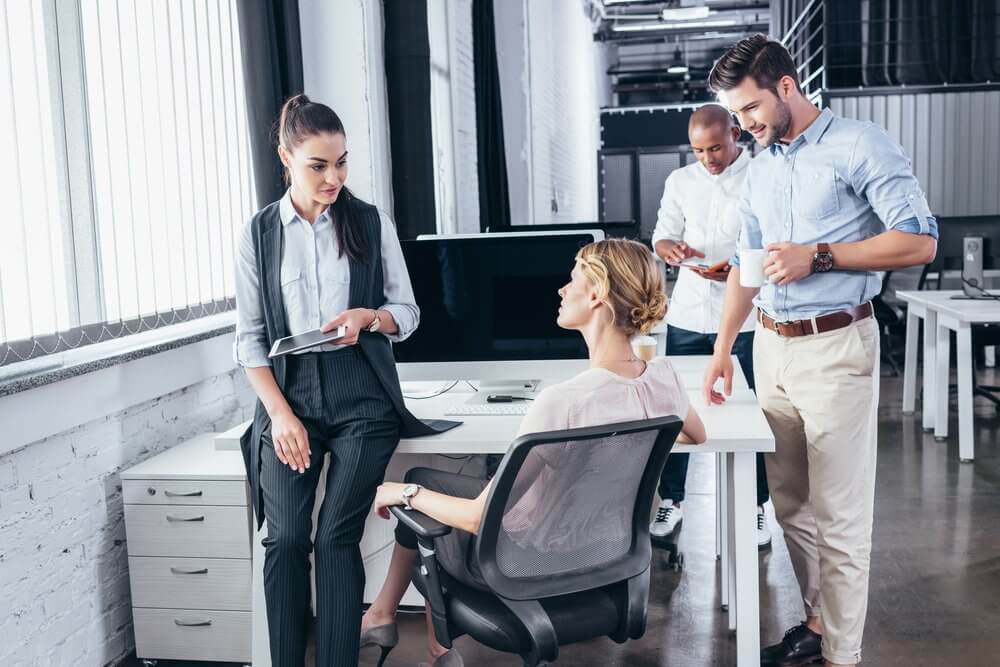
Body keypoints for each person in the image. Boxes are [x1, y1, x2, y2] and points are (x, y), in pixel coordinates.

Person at [358, 239, 707, 667]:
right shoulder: (665, 379)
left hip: (523, 563)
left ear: (597, 294)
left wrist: (398, 492)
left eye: (572, 280)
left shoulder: (564, 401)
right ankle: (392, 619)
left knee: (418, 495)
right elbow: (696, 433)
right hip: (603, 559)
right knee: (429, 481)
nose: (561, 290)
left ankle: (432, 649)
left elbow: (475, 519)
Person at [702, 35, 937, 667]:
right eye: (734, 114)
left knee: (839, 515)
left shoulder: (860, 145)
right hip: (771, 351)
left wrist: (822, 256)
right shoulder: (760, 166)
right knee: (793, 507)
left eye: (749, 110)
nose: (742, 125)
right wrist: (725, 348)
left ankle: (843, 655)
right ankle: (817, 623)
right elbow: (748, 268)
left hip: (837, 344)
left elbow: (919, 242)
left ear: (785, 87)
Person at [234, 95, 455, 666]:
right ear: (286, 157)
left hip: (362, 395)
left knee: (335, 536)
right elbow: (250, 339)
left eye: (342, 163)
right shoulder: (258, 234)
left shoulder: (369, 221)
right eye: (318, 165)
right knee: (284, 540)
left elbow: (406, 313)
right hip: (289, 396)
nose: (334, 178)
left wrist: (369, 318)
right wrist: (280, 416)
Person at [650, 103, 771, 549]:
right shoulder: (680, 181)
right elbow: (661, 234)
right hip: (687, 313)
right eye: (699, 150)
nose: (709, 158)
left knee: (751, 414)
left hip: (747, 317)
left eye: (716, 147)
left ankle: (756, 506)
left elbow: (772, 242)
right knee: (677, 410)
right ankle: (672, 500)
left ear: (736, 133)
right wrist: (671, 250)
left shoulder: (762, 175)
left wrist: (738, 270)